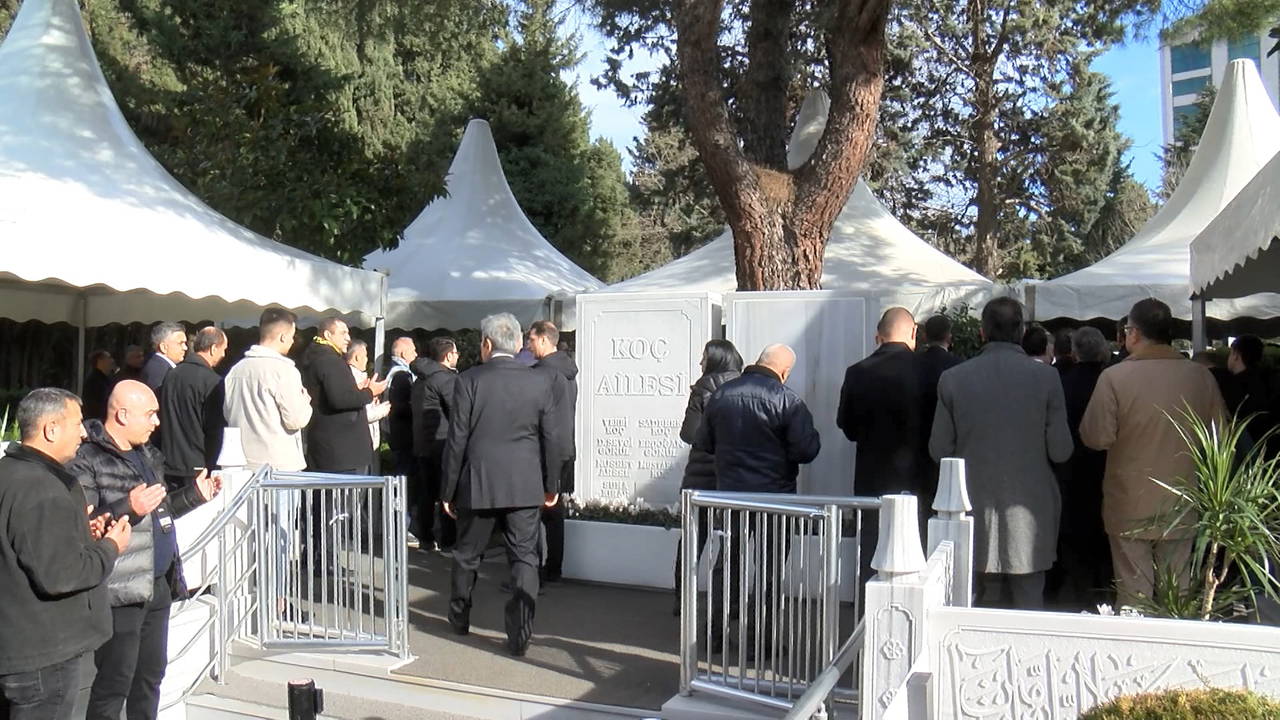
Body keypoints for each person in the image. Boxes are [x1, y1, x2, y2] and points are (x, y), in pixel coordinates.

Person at [70, 381, 221, 720]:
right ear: (122, 415)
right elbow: (85, 524)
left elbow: (159, 510)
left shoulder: (147, 453)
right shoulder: (87, 458)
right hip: (121, 588)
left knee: (151, 676)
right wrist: (129, 506)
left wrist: (194, 495)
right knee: (114, 681)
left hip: (158, 581)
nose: (157, 422)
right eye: (150, 414)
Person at [1080, 298, 1227, 607]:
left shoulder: (1114, 378)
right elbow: (1220, 439)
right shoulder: (1201, 376)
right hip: (1183, 501)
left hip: (1129, 501)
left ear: (1133, 333)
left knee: (1134, 599)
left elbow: (1096, 437)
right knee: (1178, 594)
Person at [930, 297, 1073, 610]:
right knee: (1028, 603)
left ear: (982, 331)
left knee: (968, 603)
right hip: (1030, 510)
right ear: (1021, 332)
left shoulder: (953, 379)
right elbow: (1061, 450)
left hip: (970, 507)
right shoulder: (1047, 378)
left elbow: (939, 450)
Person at [0, 388, 131, 720]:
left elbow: (26, 545)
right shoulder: (41, 488)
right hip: (43, 656)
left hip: (17, 646)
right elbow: (61, 575)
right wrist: (110, 547)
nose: (84, 433)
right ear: (51, 429)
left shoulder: (10, 473)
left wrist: (79, 533)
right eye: (77, 424)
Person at [442, 313, 565, 657]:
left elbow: (457, 439)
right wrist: (552, 482)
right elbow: (552, 437)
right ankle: (520, 630)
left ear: (486, 343)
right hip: (525, 482)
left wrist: (447, 490)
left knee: (467, 554)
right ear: (518, 343)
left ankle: (459, 616)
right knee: (524, 557)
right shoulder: (540, 381)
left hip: (479, 480)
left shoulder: (469, 380)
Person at [696, 344, 820, 652]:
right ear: (784, 371)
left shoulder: (721, 396)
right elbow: (806, 450)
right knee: (769, 570)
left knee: (728, 563)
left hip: (731, 495)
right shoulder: (787, 400)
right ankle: (758, 641)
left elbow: (704, 442)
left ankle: (714, 633)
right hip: (774, 498)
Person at [837, 307, 932, 587]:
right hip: (918, 477)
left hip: (871, 476)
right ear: (913, 332)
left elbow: (847, 426)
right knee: (917, 548)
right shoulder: (928, 371)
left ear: (877, 336)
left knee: (872, 547)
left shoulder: (857, 372)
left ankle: (868, 605)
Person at [672, 339, 743, 605]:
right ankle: (727, 601)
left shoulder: (702, 389)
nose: (700, 362)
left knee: (693, 538)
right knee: (732, 540)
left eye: (704, 356)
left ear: (715, 359)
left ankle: (683, 599)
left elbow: (688, 433)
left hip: (701, 474)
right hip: (734, 473)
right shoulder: (745, 387)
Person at [1052, 327, 1113, 610]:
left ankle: (1079, 592)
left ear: (1075, 352)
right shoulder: (1110, 380)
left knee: (1075, 534)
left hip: (1070, 468)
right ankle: (1103, 591)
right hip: (1107, 466)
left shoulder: (1062, 383)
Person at [222, 308, 313, 472]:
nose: (292, 341)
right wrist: (306, 401)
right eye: (292, 336)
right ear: (283, 337)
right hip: (279, 466)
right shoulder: (284, 371)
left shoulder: (236, 370)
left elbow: (228, 413)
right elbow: (296, 420)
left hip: (242, 463)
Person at [300, 318, 386, 474]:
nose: (348, 338)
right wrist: (370, 392)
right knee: (345, 490)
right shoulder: (330, 361)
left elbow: (334, 393)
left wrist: (357, 390)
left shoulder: (317, 357)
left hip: (328, 446)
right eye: (343, 333)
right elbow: (341, 400)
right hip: (342, 452)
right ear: (328, 335)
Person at [529, 321, 577, 583]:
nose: (528, 345)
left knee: (531, 515)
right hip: (565, 448)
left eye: (531, 339)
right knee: (554, 513)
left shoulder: (542, 374)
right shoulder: (569, 372)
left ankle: (531, 572)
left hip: (543, 449)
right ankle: (554, 569)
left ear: (544, 340)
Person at [159, 327, 228, 490]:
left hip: (169, 462)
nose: (224, 355)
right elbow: (214, 429)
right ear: (213, 348)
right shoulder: (212, 381)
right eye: (223, 349)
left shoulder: (171, 375)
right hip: (199, 466)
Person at [410, 338, 460, 552]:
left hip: (423, 443)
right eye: (455, 352)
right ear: (448, 356)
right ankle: (448, 541)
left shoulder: (420, 379)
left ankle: (426, 538)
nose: (457, 356)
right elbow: (458, 411)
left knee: (427, 494)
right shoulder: (445, 379)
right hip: (443, 443)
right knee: (448, 492)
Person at [1226, 335, 1278, 456]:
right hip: (1270, 451)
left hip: (1246, 453)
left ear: (1236, 355)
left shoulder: (1231, 386)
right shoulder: (1269, 381)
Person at [345, 340, 391, 454]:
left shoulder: (354, 376)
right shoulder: (354, 378)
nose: (367, 360)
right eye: (365, 356)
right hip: (359, 442)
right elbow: (362, 414)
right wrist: (384, 409)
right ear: (357, 357)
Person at [139, 323, 187, 396]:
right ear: (163, 347)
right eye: (180, 343)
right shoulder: (158, 370)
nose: (185, 348)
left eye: (185, 343)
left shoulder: (160, 366)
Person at [83, 349, 117, 422]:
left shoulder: (107, 379)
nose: (112, 361)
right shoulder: (94, 381)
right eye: (109, 358)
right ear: (100, 361)